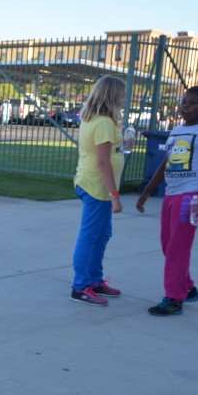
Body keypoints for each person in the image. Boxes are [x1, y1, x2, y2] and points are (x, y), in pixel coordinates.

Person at [136, 86, 198, 316]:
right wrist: (147, 191)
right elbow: (166, 163)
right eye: (184, 102)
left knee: (177, 248)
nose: (185, 106)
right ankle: (188, 287)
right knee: (169, 245)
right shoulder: (176, 130)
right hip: (171, 194)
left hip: (192, 196)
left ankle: (174, 299)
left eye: (192, 103)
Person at [69, 75, 128, 307]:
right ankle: (80, 286)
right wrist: (115, 196)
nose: (124, 100)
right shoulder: (103, 121)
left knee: (101, 235)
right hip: (96, 186)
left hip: (94, 185)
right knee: (90, 236)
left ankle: (93, 280)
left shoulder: (98, 120)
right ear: (112, 96)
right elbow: (102, 162)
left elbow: (106, 153)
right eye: (122, 95)